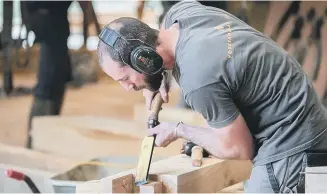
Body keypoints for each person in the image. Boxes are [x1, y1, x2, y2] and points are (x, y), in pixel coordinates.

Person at [96, 1, 327, 193]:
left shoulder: (198, 79)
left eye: (125, 79)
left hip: (293, 142)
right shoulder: (182, 14)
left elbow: (239, 148)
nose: (128, 88)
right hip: (306, 112)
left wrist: (179, 129)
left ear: (142, 58)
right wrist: (154, 78)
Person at [23, 1, 73, 148]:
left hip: (55, 24)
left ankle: (45, 137)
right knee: (48, 83)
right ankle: (37, 140)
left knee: (57, 79)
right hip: (47, 23)